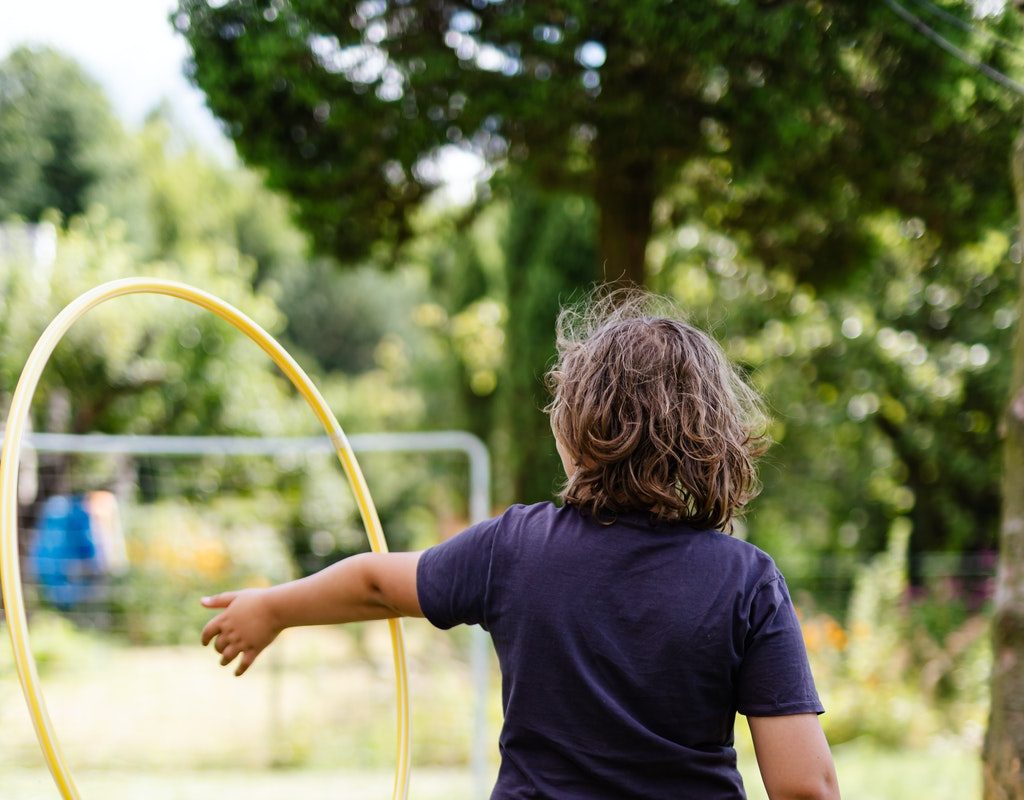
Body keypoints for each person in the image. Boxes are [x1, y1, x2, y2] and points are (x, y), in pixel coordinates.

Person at [200, 290, 840, 800]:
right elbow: (804, 786)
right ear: (712, 437)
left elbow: (373, 582)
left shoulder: (515, 548)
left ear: (574, 429)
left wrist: (275, 606)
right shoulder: (747, 581)